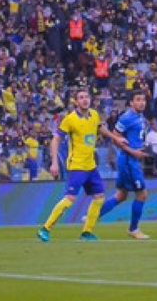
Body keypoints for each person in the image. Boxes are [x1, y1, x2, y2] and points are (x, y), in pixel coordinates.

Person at [38, 88, 111, 242]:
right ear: (76, 102)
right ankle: (45, 228)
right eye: (81, 97)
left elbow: (101, 129)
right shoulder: (70, 119)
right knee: (70, 199)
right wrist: (54, 163)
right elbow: (56, 139)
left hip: (91, 166)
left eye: (86, 97)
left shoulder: (95, 115)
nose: (85, 100)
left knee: (99, 197)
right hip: (77, 166)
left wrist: (116, 139)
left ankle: (86, 232)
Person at [98, 90, 152, 240]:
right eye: (138, 99)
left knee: (121, 195)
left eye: (143, 100)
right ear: (131, 103)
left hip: (130, 159)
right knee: (142, 194)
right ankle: (133, 229)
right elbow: (115, 137)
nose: (142, 102)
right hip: (129, 160)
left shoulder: (139, 116)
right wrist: (133, 152)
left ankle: (92, 216)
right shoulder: (127, 117)